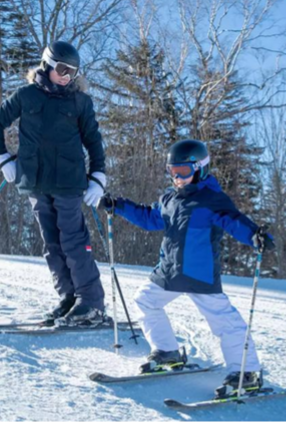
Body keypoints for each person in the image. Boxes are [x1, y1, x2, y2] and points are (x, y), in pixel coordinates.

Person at [98, 139, 276, 396]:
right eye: (173, 171)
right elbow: (150, 218)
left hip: (199, 273)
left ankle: (246, 373)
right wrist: (120, 206)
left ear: (200, 168)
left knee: (225, 322)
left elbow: (235, 221)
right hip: (168, 271)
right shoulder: (169, 198)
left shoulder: (213, 200)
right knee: (145, 301)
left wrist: (255, 236)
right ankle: (167, 351)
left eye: (183, 172)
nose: (177, 178)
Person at [0, 41, 108, 327]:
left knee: (72, 240)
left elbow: (93, 140)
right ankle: (69, 297)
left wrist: (98, 176)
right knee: (51, 243)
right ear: (47, 64)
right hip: (35, 181)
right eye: (62, 69)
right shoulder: (26, 95)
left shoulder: (80, 101)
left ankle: (91, 301)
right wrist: (3, 159)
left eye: (73, 71)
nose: (67, 76)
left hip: (68, 181)